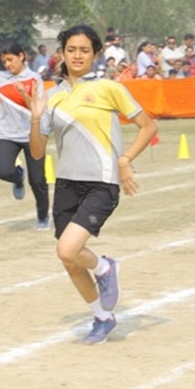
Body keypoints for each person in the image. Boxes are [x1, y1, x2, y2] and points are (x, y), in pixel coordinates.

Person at [25, 24, 158, 346]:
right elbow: (37, 152)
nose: (77, 55)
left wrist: (124, 160)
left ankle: (104, 267)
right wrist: (36, 117)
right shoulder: (52, 96)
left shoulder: (109, 88)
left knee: (67, 248)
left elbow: (148, 127)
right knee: (69, 260)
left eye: (84, 50)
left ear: (96, 53)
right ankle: (102, 317)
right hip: (67, 184)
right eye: (71, 50)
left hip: (101, 182)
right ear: (62, 53)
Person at [0, 42, 50, 229]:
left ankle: (43, 216)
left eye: (10, 59)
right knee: (2, 170)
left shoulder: (34, 78)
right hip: (6, 133)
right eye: (4, 61)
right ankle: (18, 177)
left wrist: (24, 94)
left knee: (37, 180)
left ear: (21, 56)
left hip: (32, 133)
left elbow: (36, 110)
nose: (7, 64)